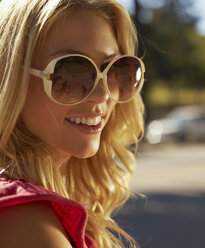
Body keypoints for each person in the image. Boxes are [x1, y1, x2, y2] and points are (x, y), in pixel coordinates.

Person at [0, 0, 145, 247]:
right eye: (70, 72)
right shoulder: (23, 217)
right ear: (11, 79)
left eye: (114, 69)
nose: (102, 94)